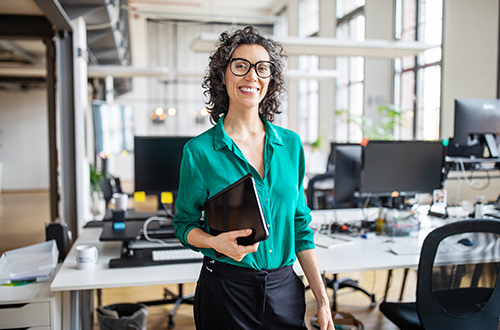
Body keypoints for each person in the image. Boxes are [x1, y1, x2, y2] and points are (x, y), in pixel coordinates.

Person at [174, 25, 334, 330]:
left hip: (285, 289)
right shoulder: (199, 152)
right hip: (225, 291)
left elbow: (300, 227)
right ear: (223, 75)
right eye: (240, 66)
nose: (252, 76)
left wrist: (323, 301)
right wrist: (215, 242)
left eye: (262, 68)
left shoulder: (290, 145)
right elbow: (184, 225)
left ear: (270, 79)